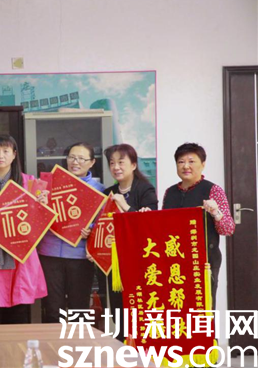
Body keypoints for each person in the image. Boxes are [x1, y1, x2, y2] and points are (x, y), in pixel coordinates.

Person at [0, 134, 48, 325]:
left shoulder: (30, 183)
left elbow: (39, 222)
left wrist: (42, 206)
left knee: (19, 310)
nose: (0, 155)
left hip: (19, 252)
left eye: (5, 151)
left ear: (14, 154)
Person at [37, 142, 104, 323]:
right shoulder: (49, 183)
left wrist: (91, 229)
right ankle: (53, 342)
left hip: (80, 256)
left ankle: (77, 342)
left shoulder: (99, 190)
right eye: (72, 157)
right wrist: (40, 205)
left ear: (92, 162)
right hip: (49, 253)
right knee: (52, 309)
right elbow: (34, 219)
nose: (75, 162)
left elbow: (104, 224)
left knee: (79, 308)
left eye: (81, 158)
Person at [162, 143, 235, 305]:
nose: (185, 166)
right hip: (175, 260)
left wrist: (215, 212)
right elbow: (163, 227)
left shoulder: (213, 190)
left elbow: (228, 228)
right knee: (177, 305)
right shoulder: (170, 192)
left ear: (203, 164)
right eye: (181, 162)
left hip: (203, 262)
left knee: (202, 309)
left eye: (191, 161)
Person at [99, 143, 158, 341]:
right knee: (117, 307)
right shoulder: (108, 192)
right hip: (115, 261)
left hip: (139, 259)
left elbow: (150, 226)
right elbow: (102, 226)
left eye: (121, 162)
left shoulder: (145, 189)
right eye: (112, 163)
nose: (116, 167)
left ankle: (140, 347)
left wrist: (125, 206)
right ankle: (123, 344)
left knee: (138, 304)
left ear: (133, 165)